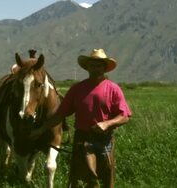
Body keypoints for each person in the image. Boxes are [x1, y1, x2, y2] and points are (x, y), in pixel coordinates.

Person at [30, 48, 132, 188]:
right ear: (87, 67)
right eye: (92, 65)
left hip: (104, 140)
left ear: (104, 68)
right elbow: (60, 114)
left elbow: (125, 116)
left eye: (98, 65)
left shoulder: (113, 89)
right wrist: (41, 130)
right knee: (81, 179)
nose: (95, 68)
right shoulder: (77, 89)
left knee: (106, 179)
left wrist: (107, 124)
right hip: (82, 139)